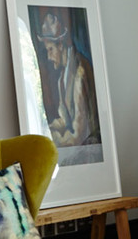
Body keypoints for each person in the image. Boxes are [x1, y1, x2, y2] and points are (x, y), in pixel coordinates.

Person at [37, 11, 100, 147]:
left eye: (50, 49)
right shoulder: (62, 78)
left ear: (60, 45)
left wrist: (54, 140)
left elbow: (78, 135)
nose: (48, 57)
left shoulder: (79, 73)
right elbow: (65, 119)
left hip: (89, 149)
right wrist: (47, 129)